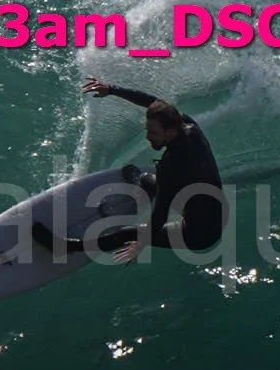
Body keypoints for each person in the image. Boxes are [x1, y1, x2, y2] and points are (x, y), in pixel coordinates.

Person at [30, 80, 226, 261]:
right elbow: (151, 102)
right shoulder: (188, 125)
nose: (148, 137)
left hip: (200, 234)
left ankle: (66, 247)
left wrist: (140, 244)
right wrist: (112, 89)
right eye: (147, 130)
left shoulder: (172, 166)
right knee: (148, 179)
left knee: (129, 233)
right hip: (206, 203)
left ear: (171, 132)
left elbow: (159, 215)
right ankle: (143, 182)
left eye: (154, 133)